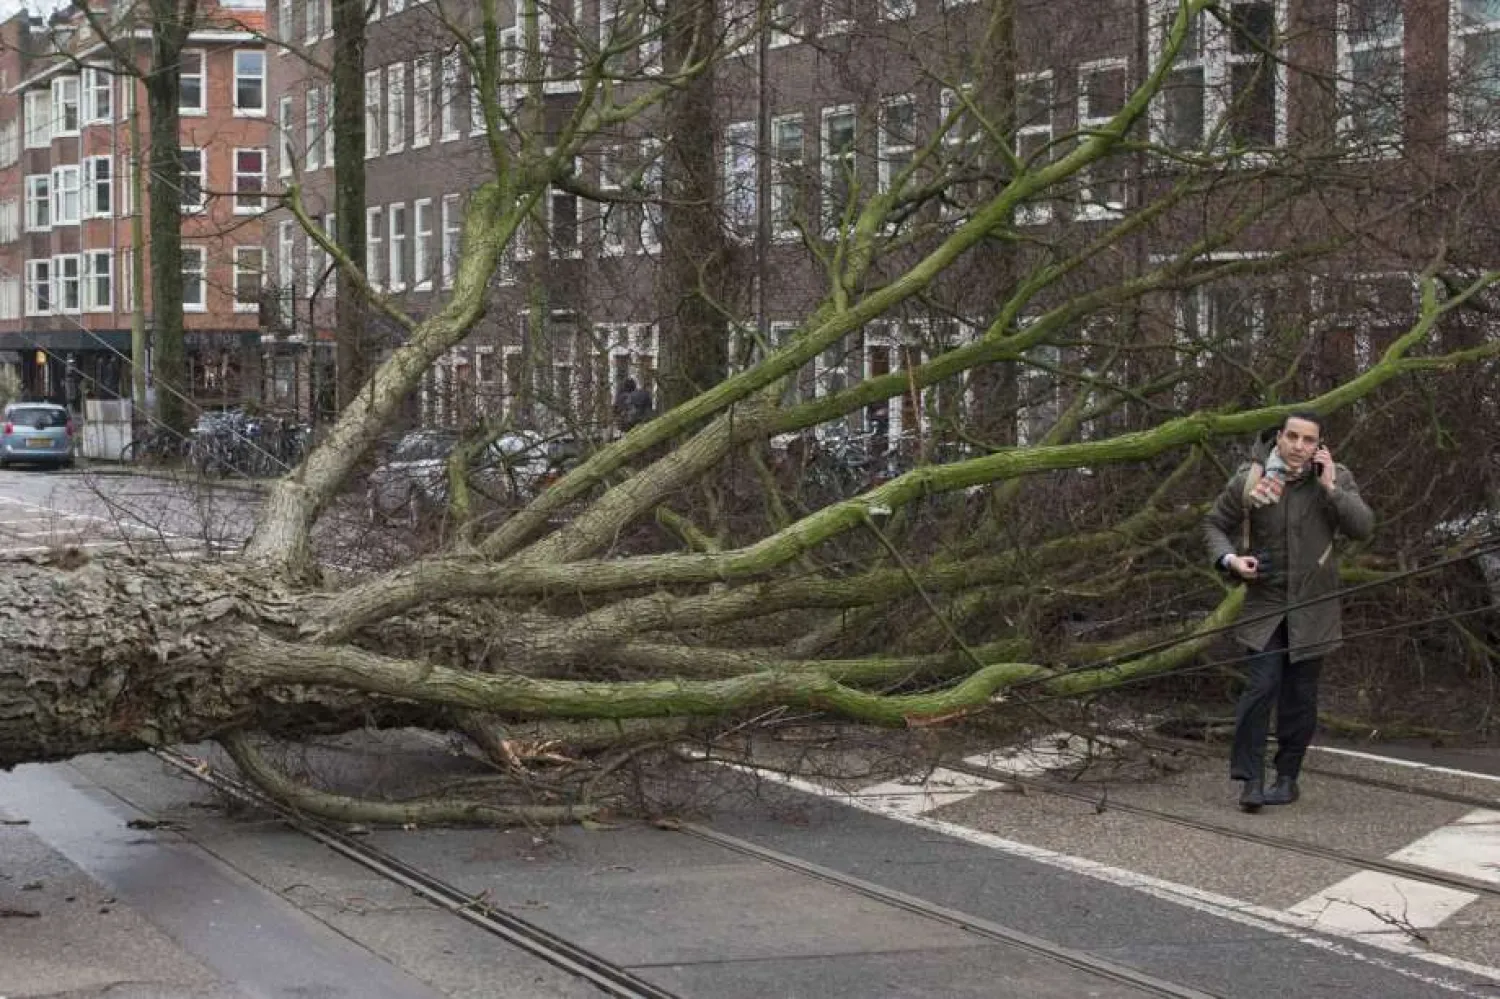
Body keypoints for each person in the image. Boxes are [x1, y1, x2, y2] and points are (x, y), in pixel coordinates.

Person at [1203, 410, 1374, 813]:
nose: (1299, 447)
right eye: (1292, 437)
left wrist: (1332, 489)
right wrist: (1230, 560)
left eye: (1308, 440)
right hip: (1265, 605)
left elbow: (1363, 528)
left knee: (1300, 698)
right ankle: (1250, 779)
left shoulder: (1334, 479)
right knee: (1261, 687)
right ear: (1278, 438)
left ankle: (1287, 778)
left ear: (1320, 446)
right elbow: (1212, 524)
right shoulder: (1252, 479)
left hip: (1314, 607)